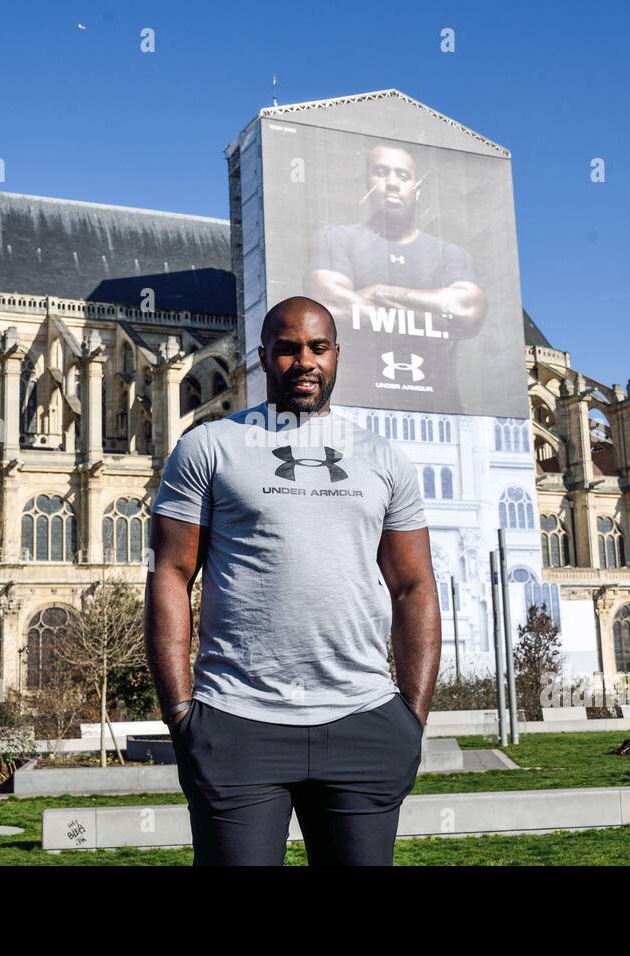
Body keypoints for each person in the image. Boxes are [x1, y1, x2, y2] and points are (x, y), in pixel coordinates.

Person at [145, 295, 441, 866]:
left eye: (317, 348)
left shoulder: (383, 457)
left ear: (336, 356)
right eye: (287, 349)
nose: (303, 361)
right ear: (263, 357)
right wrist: (181, 712)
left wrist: (411, 716)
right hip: (237, 722)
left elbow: (415, 588)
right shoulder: (209, 446)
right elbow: (170, 576)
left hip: (365, 721)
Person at [304, 142, 487, 410]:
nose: (392, 183)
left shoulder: (449, 254)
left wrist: (379, 293)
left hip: (441, 413)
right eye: (380, 172)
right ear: (365, 182)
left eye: (403, 175)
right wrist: (435, 311)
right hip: (355, 407)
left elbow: (468, 311)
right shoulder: (336, 238)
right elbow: (330, 307)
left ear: (417, 187)